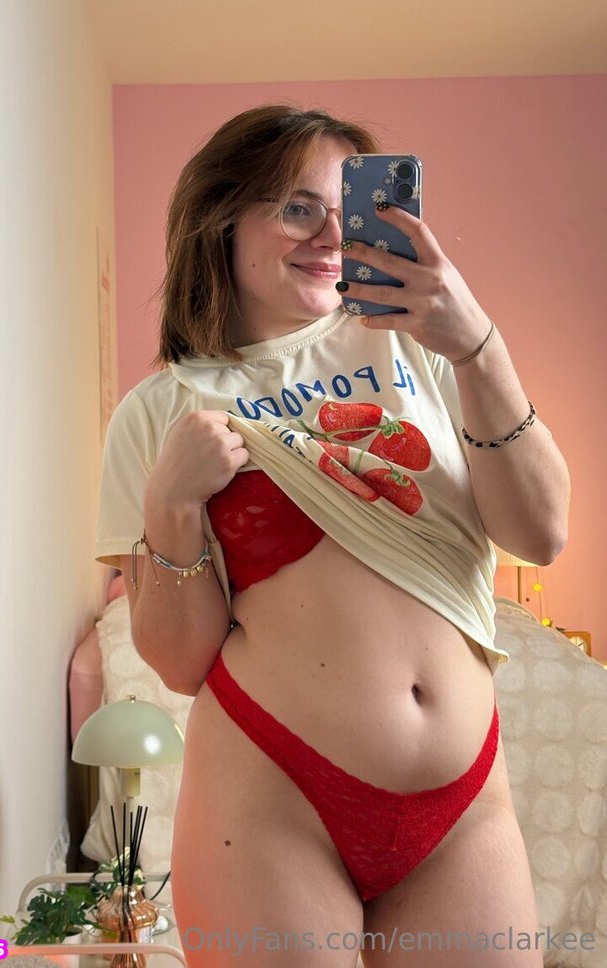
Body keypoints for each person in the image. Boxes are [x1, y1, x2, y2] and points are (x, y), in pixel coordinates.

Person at [94, 105, 570, 967]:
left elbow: (542, 534)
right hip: (271, 798)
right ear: (223, 219)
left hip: (462, 807)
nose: (328, 237)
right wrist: (169, 506)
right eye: (296, 208)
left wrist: (478, 345)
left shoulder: (425, 348)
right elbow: (179, 660)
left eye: (345, 212)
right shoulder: (159, 409)